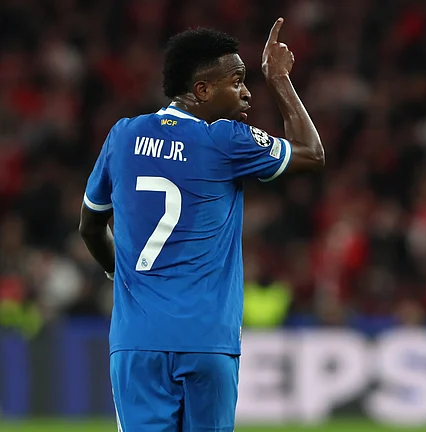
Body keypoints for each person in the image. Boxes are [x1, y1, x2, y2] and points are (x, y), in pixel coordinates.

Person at [78, 18, 324, 431]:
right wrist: (278, 78)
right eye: (238, 81)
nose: (246, 92)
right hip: (207, 341)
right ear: (202, 90)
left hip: (137, 342)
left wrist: (119, 276)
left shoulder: (122, 136)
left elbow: (89, 226)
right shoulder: (227, 140)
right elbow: (311, 153)